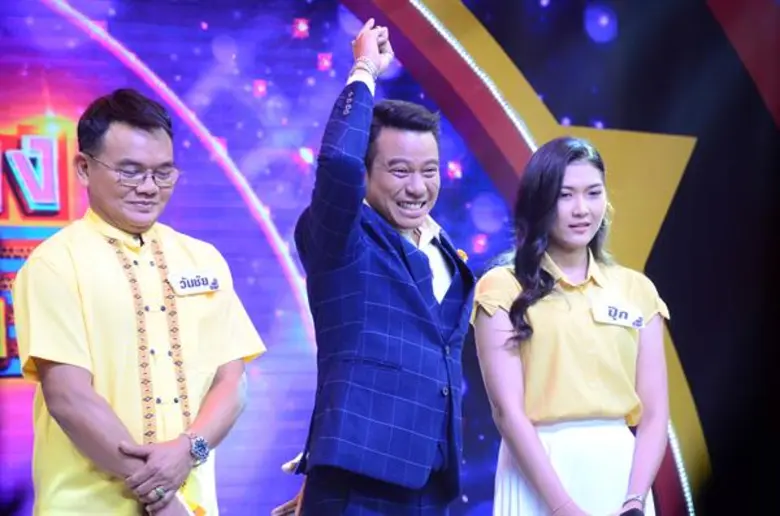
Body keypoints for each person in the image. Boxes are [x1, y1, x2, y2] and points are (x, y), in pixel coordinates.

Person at [12, 88, 266, 516]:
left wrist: (189, 449)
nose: (148, 188)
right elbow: (69, 397)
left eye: (163, 173)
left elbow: (232, 382)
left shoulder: (203, 258)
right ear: (84, 168)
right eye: (130, 172)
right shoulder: (54, 263)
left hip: (194, 505)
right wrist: (161, 495)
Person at [291, 19, 475, 515]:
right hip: (357, 483)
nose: (417, 187)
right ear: (368, 172)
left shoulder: (445, 250)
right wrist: (365, 70)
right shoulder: (341, 239)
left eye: (429, 171)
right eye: (399, 170)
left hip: (430, 483)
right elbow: (338, 164)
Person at [471, 137, 669, 516]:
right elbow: (507, 411)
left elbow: (655, 413)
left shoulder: (636, 289)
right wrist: (563, 508)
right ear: (540, 202)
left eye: (593, 193)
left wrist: (634, 500)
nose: (582, 209)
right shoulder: (502, 286)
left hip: (622, 475)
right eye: (565, 195)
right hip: (538, 470)